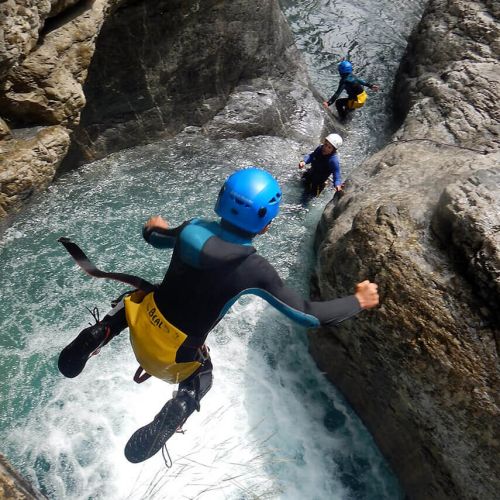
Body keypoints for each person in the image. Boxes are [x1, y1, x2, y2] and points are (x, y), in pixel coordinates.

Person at [57, 167, 379, 464]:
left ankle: (99, 332)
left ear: (221, 199)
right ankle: (179, 408)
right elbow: (308, 315)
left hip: (139, 323)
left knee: (137, 295)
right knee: (204, 376)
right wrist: (357, 301)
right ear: (266, 223)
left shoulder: (191, 229)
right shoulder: (255, 269)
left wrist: (153, 227)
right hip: (173, 357)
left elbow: (153, 237)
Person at [299, 133, 343, 199]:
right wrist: (304, 161)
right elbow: (311, 156)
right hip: (311, 172)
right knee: (302, 183)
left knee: (307, 197)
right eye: (325, 145)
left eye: (329, 147)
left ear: (333, 150)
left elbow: (336, 174)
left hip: (318, 182)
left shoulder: (333, 161)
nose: (325, 148)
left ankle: (325, 183)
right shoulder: (320, 148)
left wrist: (337, 185)